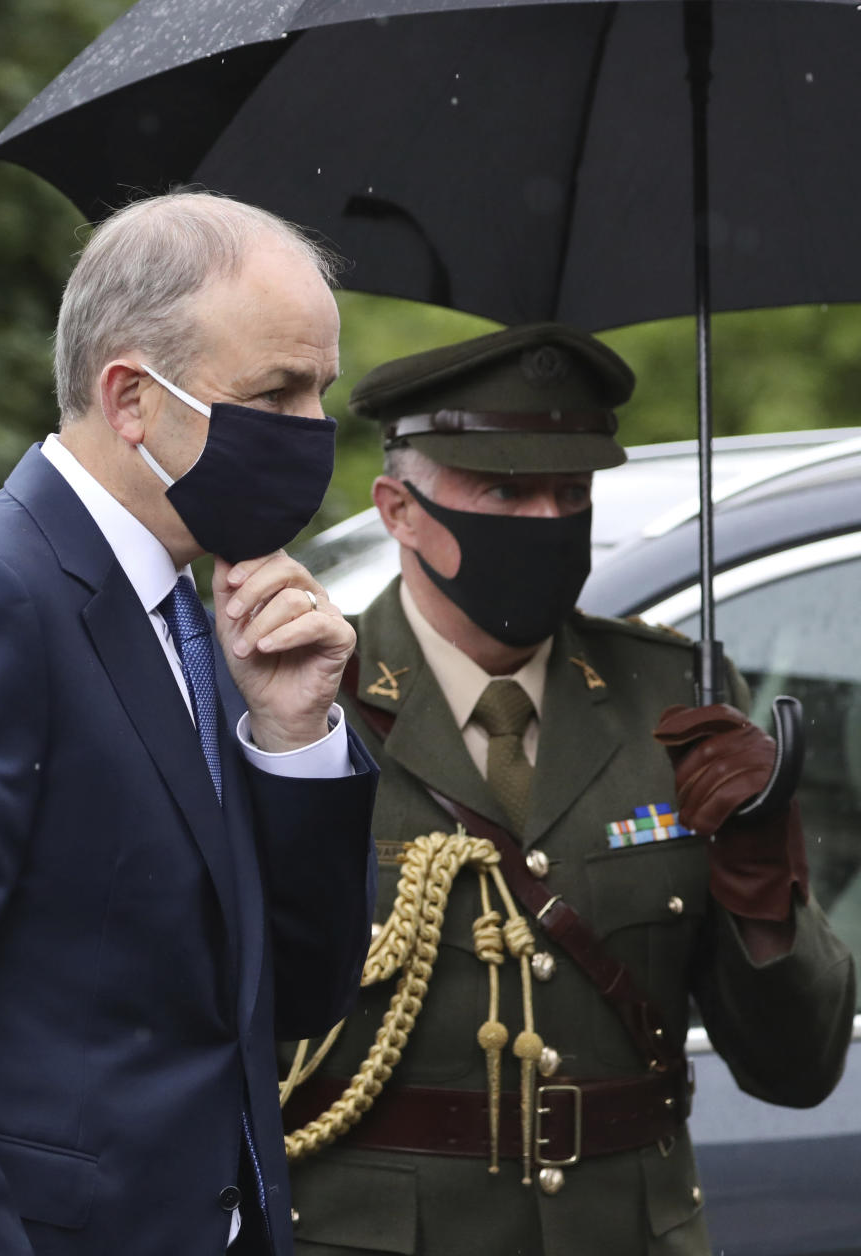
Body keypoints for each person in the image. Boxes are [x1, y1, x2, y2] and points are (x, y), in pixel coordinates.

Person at [281, 324, 855, 1256]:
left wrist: (762, 895)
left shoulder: (677, 700)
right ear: (398, 508)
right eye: (505, 490)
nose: (548, 523)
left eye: (572, 491)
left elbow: (800, 1069)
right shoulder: (299, 701)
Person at [0, 191, 378, 1256]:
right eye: (276, 391)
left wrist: (295, 740)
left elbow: (293, 993)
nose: (313, 433)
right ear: (130, 398)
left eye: (321, 391)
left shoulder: (197, 609)